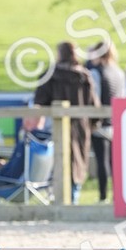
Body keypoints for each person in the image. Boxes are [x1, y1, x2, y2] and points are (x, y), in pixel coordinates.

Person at [34, 42, 97, 203]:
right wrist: (93, 124)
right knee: (78, 164)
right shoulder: (84, 75)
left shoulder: (51, 75)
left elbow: (39, 100)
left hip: (55, 126)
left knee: (56, 164)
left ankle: (57, 200)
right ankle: (73, 200)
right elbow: (94, 106)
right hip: (81, 126)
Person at [87, 42, 126, 203]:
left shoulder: (96, 72)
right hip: (116, 123)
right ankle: (117, 196)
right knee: (115, 162)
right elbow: (122, 97)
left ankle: (103, 196)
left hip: (100, 124)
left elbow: (94, 97)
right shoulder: (119, 72)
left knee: (102, 162)